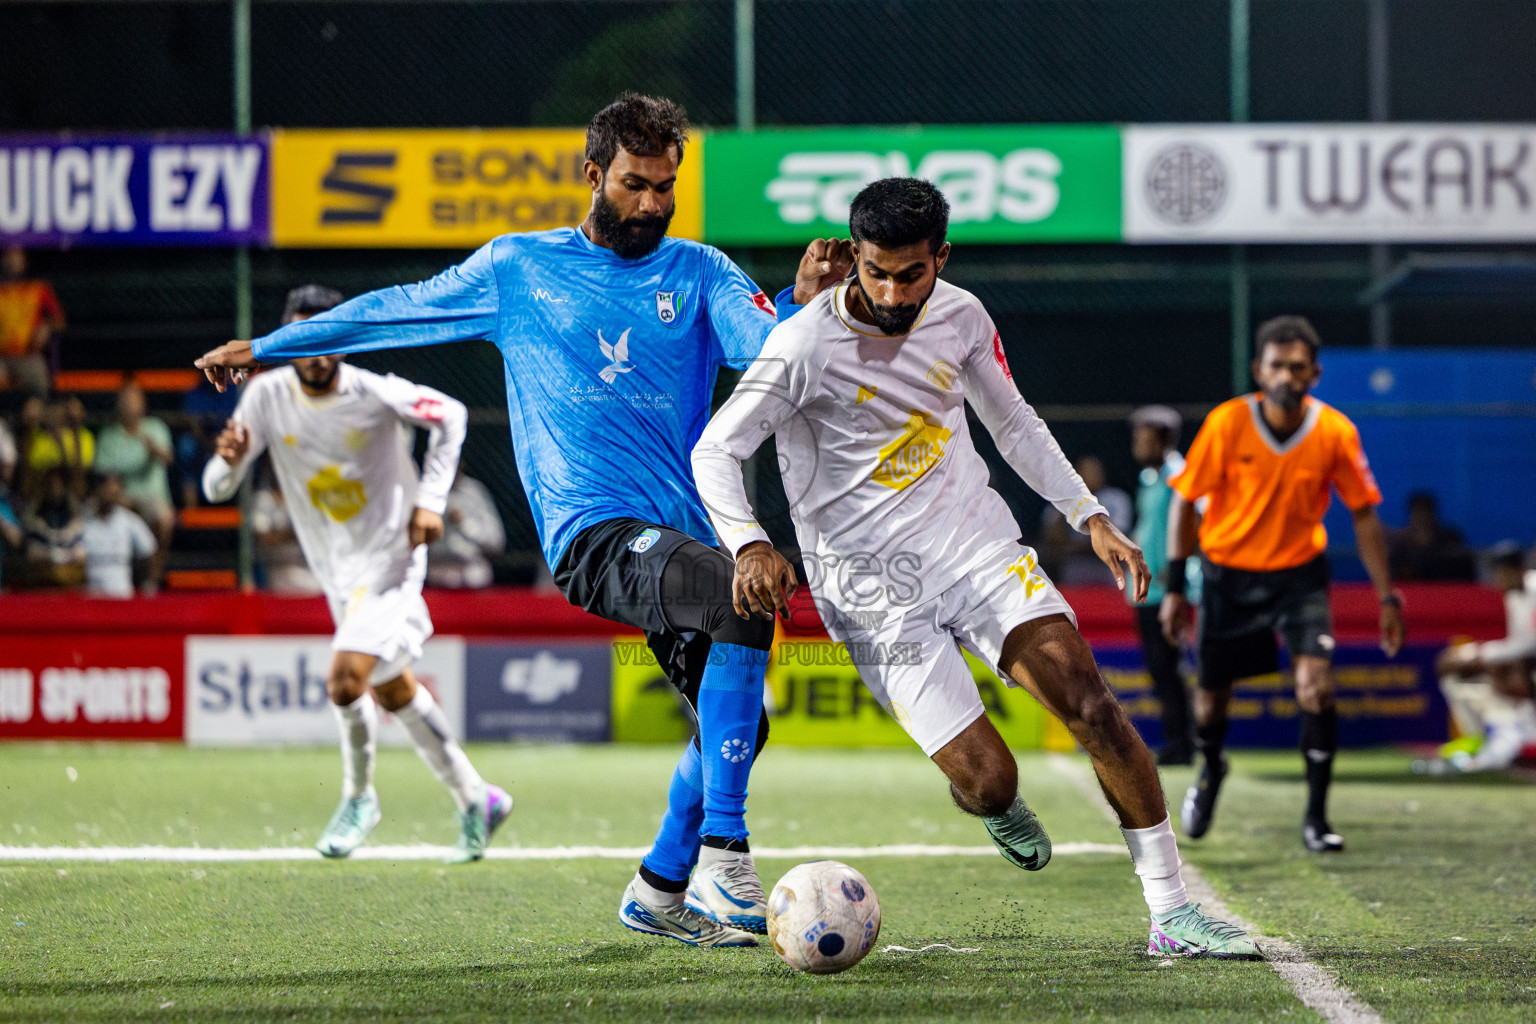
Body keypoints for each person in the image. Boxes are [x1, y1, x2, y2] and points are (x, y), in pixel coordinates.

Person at [194, 94, 851, 948]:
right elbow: (394, 307)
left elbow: (767, 357)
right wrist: (269, 347)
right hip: (593, 534)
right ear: (593, 176)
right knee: (738, 599)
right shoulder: (519, 270)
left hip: (684, 533)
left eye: (666, 187)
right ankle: (726, 865)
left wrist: (805, 306)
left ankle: (656, 890)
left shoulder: (702, 273)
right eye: (634, 184)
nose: (652, 203)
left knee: (741, 724)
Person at [692, 177, 1260, 960]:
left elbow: (1015, 424)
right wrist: (750, 542)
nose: (893, 292)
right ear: (853, 257)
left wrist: (1089, 515)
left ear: (942, 258)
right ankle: (995, 804)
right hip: (870, 590)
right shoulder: (801, 345)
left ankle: (1171, 913)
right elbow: (717, 449)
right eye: (876, 271)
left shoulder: (962, 314)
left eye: (912, 273)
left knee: (1093, 705)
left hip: (976, 548)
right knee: (989, 779)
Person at [203, 283, 509, 865]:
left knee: (344, 680)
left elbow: (452, 415)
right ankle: (477, 796)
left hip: (393, 558)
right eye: (303, 339)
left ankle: (358, 797)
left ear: (344, 341)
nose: (316, 353)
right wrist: (227, 459)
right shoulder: (265, 396)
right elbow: (217, 491)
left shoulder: (375, 392)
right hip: (338, 571)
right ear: (288, 340)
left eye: (327, 339)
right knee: (393, 689)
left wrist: (431, 500)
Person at [1160, 315, 1405, 854]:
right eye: (1277, 365)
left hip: (1300, 577)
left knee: (1316, 686)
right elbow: (1185, 502)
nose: (1286, 376)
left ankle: (1317, 817)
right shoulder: (1228, 423)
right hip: (1228, 576)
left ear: (1314, 373)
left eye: (1297, 367)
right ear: (1258, 370)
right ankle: (1210, 767)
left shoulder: (1336, 432)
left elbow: (1364, 514)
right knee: (1209, 707)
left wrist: (1387, 595)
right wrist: (1176, 587)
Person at [1127, 406, 1197, 765]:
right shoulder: (1151, 478)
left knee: (1170, 667)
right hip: (1148, 591)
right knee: (1160, 667)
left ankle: (1184, 742)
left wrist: (1177, 575)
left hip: (1169, 590)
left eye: (1144, 437)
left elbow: (1194, 523)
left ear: (1164, 439)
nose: (1138, 444)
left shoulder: (1178, 476)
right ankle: (1179, 740)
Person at [1428, 542, 1536, 773]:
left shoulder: (1534, 588)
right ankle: (1476, 738)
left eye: (1501, 572)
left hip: (1530, 668)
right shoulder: (1513, 596)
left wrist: (1481, 656)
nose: (1497, 579)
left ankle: (1514, 733)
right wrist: (1477, 656)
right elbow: (1517, 643)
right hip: (1520, 664)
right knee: (1454, 674)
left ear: (1516, 569)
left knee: (1503, 669)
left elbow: (1530, 645)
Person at [94, 383, 176, 590]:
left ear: (143, 404)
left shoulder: (155, 428)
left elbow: (168, 459)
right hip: (124, 498)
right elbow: (104, 475)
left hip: (153, 498)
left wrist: (154, 451)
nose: (129, 404)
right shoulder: (109, 436)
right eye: (125, 400)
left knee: (165, 518)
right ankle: (128, 577)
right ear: (117, 405)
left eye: (134, 399)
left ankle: (152, 576)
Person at [1037, 455, 1133, 585]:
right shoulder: (1064, 501)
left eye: (1094, 471)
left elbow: (1113, 539)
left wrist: (1073, 547)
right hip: (1076, 566)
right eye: (1085, 471)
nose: (1090, 476)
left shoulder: (1115, 498)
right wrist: (1065, 507)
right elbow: (1052, 542)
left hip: (1107, 566)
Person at [0, 245, 64, 396]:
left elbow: (59, 320)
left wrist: (47, 326)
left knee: (41, 386)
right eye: (9, 256)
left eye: (17, 256)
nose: (13, 261)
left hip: (28, 356)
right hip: (1, 357)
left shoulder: (38, 288)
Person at [80, 473, 158, 598]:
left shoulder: (128, 520)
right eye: (106, 487)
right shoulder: (84, 520)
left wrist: (149, 585)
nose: (109, 493)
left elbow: (150, 550)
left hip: (121, 595)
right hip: (91, 596)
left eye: (114, 489)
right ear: (97, 489)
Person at [426, 470, 506, 589]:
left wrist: (464, 523)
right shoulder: (426, 492)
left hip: (472, 577)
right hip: (436, 578)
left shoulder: (474, 492)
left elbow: (496, 541)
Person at [252, 474, 323, 594]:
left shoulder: (298, 497)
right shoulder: (262, 499)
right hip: (274, 569)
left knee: (323, 587)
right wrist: (296, 533)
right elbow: (264, 538)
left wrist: (294, 534)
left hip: (302, 564)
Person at [1388, 491, 1476, 582]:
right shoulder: (1400, 545)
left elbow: (1463, 569)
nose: (1421, 517)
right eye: (1417, 512)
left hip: (1449, 590)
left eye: (1425, 511)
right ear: (1411, 514)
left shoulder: (1450, 538)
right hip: (1413, 592)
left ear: (1432, 513)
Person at [22, 465, 85, 588]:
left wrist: (67, 535)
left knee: (80, 552)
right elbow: (28, 522)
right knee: (33, 551)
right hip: (45, 550)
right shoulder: (39, 502)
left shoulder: (70, 502)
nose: (55, 487)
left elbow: (78, 522)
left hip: (67, 551)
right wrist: (43, 529)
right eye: (52, 484)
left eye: (58, 483)